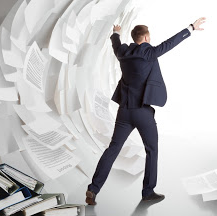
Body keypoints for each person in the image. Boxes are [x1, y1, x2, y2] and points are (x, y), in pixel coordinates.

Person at [85, 17, 206, 205]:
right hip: (142, 112)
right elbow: (169, 43)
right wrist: (190, 28)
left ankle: (93, 189)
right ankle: (148, 192)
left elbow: (115, 42)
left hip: (124, 111)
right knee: (152, 150)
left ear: (134, 39)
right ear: (147, 38)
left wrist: (116, 32)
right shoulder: (149, 53)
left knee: (113, 149)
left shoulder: (122, 52)